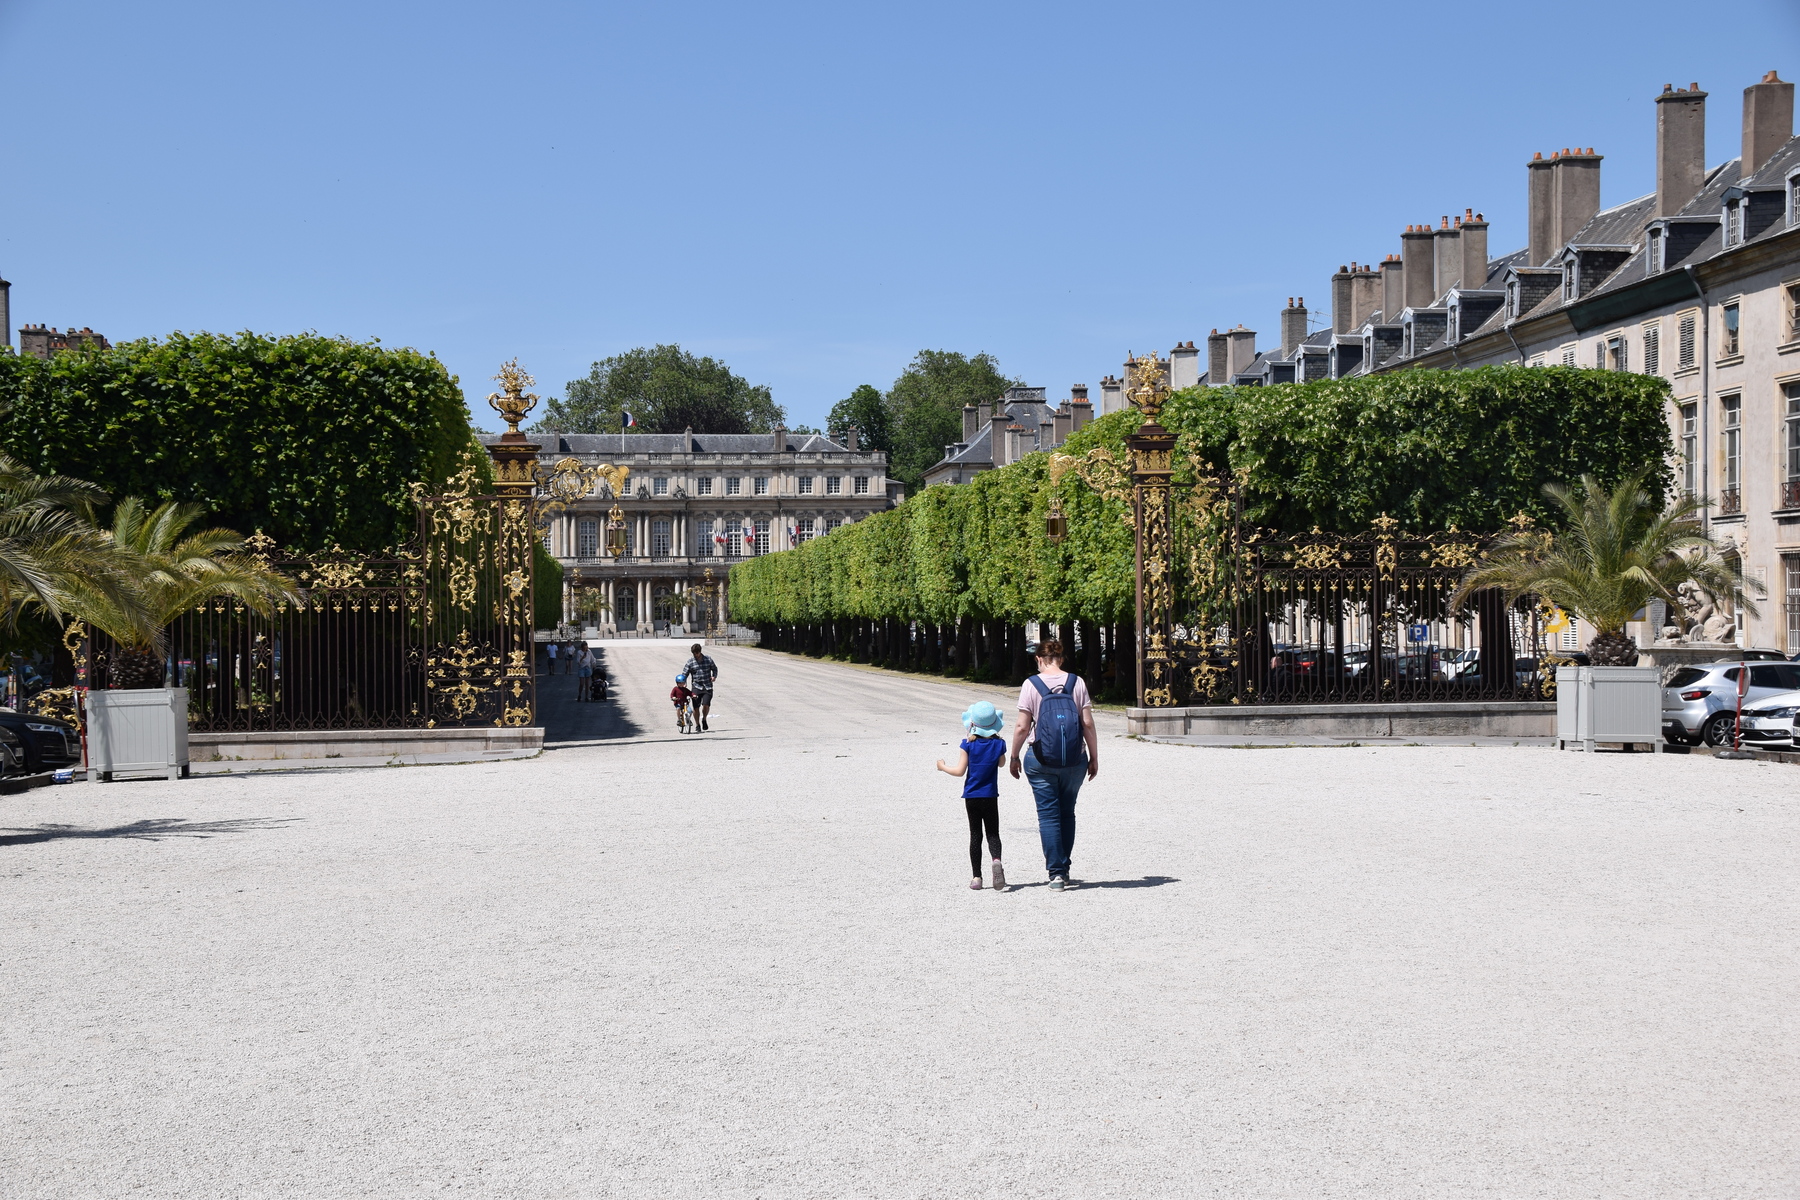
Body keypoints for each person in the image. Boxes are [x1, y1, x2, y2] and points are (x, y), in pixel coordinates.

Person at [1008, 638, 1098, 891]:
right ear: (1061, 658)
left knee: (1048, 815)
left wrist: (1014, 756)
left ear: (1039, 659)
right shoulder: (1077, 682)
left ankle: (1056, 874)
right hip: (1074, 759)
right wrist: (1093, 757)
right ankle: (1064, 869)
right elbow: (1087, 723)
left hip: (1041, 759)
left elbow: (1022, 726)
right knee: (1067, 812)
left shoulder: (1031, 684)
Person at [936, 701, 1008, 891]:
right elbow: (1001, 763)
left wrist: (942, 767)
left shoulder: (967, 745)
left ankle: (977, 878)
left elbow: (960, 771)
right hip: (990, 796)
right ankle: (996, 860)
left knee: (975, 835)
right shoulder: (999, 744)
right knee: (993, 833)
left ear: (972, 724)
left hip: (972, 796)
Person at [683, 643, 720, 732]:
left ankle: (704, 719)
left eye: (696, 653)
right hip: (696, 686)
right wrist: (684, 682)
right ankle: (697, 724)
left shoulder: (708, 659)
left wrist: (714, 676)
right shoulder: (690, 662)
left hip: (707, 686)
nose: (695, 655)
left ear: (700, 652)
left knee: (706, 705)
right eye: (693, 653)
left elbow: (714, 668)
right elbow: (684, 673)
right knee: (696, 707)